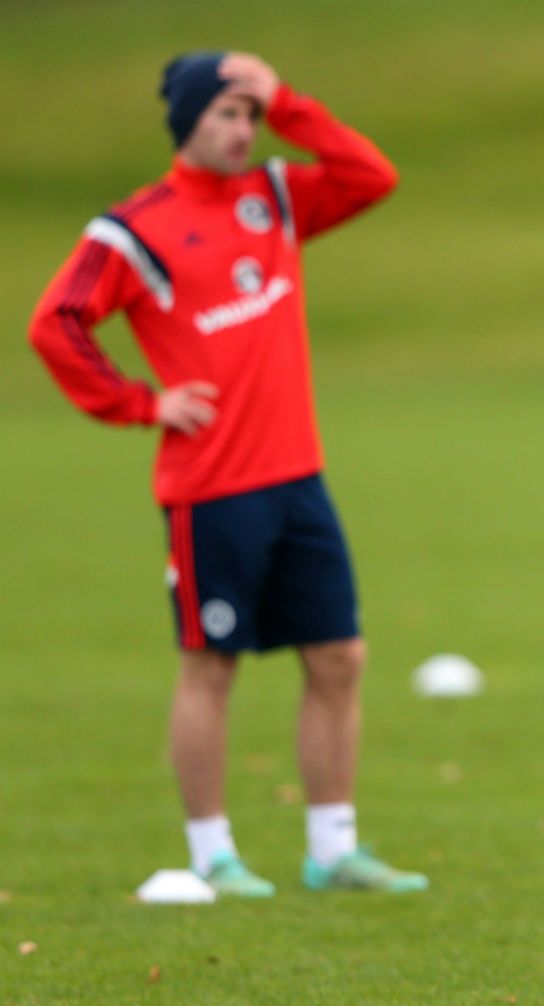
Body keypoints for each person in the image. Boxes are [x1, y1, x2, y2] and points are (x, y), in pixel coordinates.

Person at [27, 52, 426, 897]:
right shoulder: (133, 230)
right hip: (211, 489)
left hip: (297, 477)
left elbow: (372, 175)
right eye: (227, 114)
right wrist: (141, 403)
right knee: (213, 665)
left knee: (339, 658)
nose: (243, 130)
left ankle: (332, 849)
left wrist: (288, 100)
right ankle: (213, 853)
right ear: (188, 122)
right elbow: (56, 324)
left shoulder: (274, 197)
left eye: (250, 115)